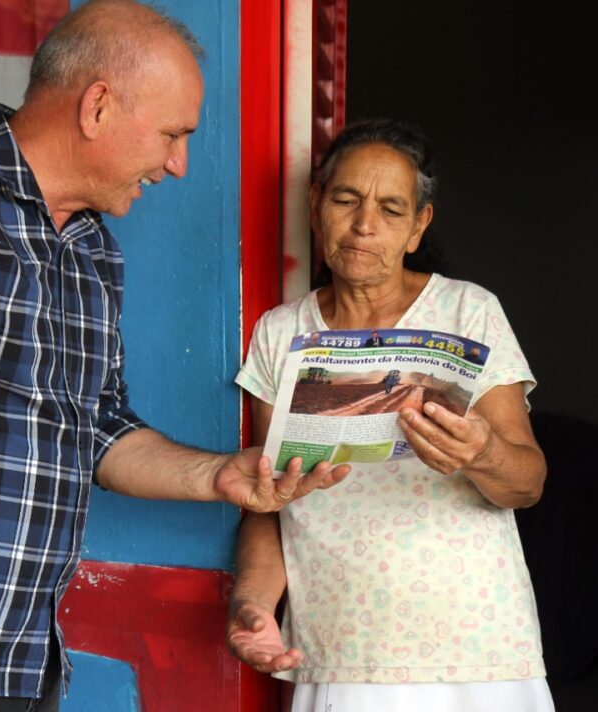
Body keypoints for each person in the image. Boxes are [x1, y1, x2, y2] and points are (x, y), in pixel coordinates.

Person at [0, 2, 347, 711]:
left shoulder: (88, 250)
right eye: (172, 135)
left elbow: (97, 431)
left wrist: (219, 476)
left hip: (21, 655)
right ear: (98, 107)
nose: (177, 165)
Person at [227, 118, 555, 712]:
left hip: (477, 650)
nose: (364, 226)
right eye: (346, 200)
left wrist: (481, 454)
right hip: (341, 647)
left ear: (418, 226)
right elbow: (267, 496)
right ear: (316, 203)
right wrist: (252, 604)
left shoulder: (468, 312)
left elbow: (527, 483)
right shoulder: (280, 333)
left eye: (391, 209)